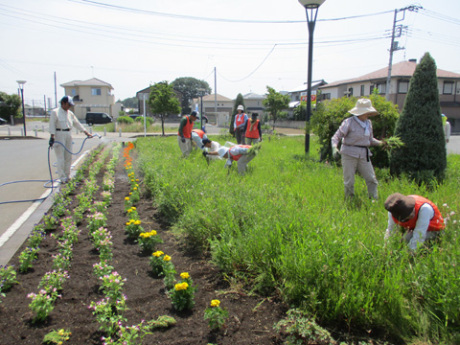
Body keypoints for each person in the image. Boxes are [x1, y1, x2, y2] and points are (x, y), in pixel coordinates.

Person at [331, 98, 383, 199]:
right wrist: (334, 147)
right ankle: (349, 199)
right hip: (349, 154)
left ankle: (373, 199)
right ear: (359, 112)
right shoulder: (349, 122)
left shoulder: (369, 123)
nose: (368, 114)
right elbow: (336, 136)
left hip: (364, 154)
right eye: (366, 112)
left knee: (371, 178)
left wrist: (381, 143)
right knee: (349, 180)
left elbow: (370, 140)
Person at [49, 96, 91, 184]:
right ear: (63, 103)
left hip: (68, 134)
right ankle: (62, 177)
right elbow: (52, 125)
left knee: (68, 157)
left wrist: (85, 132)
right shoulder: (55, 112)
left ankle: (67, 176)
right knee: (61, 157)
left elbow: (77, 123)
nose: (69, 107)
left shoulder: (70, 113)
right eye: (68, 104)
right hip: (59, 134)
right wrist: (52, 137)